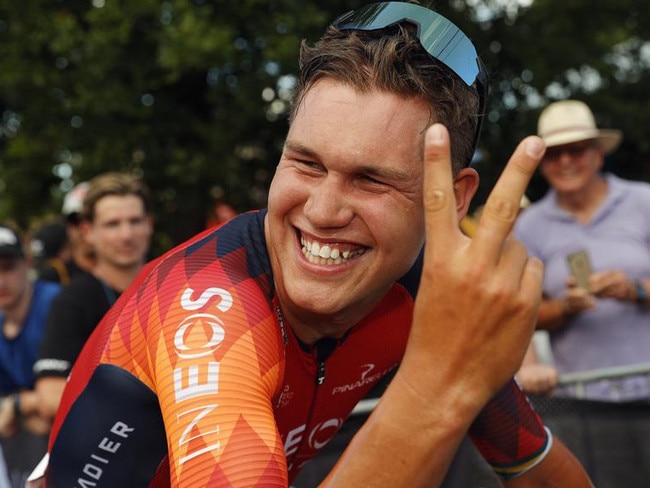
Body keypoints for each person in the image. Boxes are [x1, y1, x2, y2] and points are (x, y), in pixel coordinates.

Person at [32, 3, 593, 487]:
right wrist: (434, 385)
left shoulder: (420, 291)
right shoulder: (208, 303)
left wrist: (449, 378)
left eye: (371, 180)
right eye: (306, 163)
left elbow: (534, 461)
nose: (323, 212)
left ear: (452, 195)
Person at [514, 99, 650, 485]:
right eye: (554, 154)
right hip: (583, 404)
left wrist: (635, 289)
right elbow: (520, 311)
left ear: (597, 155)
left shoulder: (643, 202)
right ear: (542, 164)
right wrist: (565, 308)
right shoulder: (529, 227)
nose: (565, 162)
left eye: (576, 151)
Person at [33, 172, 154, 424]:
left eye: (135, 221)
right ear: (88, 232)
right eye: (112, 224)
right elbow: (50, 396)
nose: (126, 235)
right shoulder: (73, 300)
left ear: (149, 224)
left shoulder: (176, 285)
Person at [0, 224, 61, 488]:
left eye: (8, 267)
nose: (0, 280)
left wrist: (18, 404)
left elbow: (68, 398)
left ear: (27, 262)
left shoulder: (58, 305)